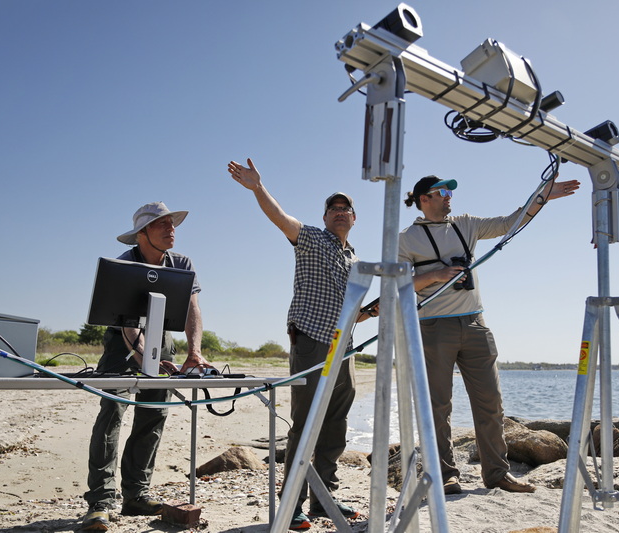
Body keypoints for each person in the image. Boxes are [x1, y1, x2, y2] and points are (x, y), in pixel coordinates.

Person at [398, 175, 580, 496]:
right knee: (437, 406)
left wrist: (542, 196)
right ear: (424, 198)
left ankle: (497, 475)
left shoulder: (466, 224)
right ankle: (445, 475)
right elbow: (397, 285)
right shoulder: (406, 239)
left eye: (451, 190)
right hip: (432, 327)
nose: (449, 196)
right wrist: (436, 274)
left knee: (491, 403)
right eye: (442, 191)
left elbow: (511, 222)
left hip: (475, 325)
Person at [227, 158, 375, 531]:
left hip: (346, 349)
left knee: (335, 424)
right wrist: (258, 187)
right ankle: (292, 501)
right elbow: (279, 217)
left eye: (346, 209)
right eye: (333, 208)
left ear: (355, 218)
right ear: (325, 217)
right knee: (306, 423)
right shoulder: (309, 238)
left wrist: (369, 312)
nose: (340, 213)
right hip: (311, 344)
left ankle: (325, 498)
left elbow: (350, 312)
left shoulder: (355, 259)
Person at [81, 202, 214, 531]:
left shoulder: (182, 263)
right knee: (112, 412)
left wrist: (194, 352)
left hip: (164, 340)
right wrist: (144, 358)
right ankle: (100, 501)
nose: (172, 230)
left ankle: (136, 496)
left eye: (173, 224)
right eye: (162, 225)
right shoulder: (124, 264)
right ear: (142, 234)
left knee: (154, 414)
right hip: (121, 347)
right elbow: (127, 324)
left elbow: (192, 309)